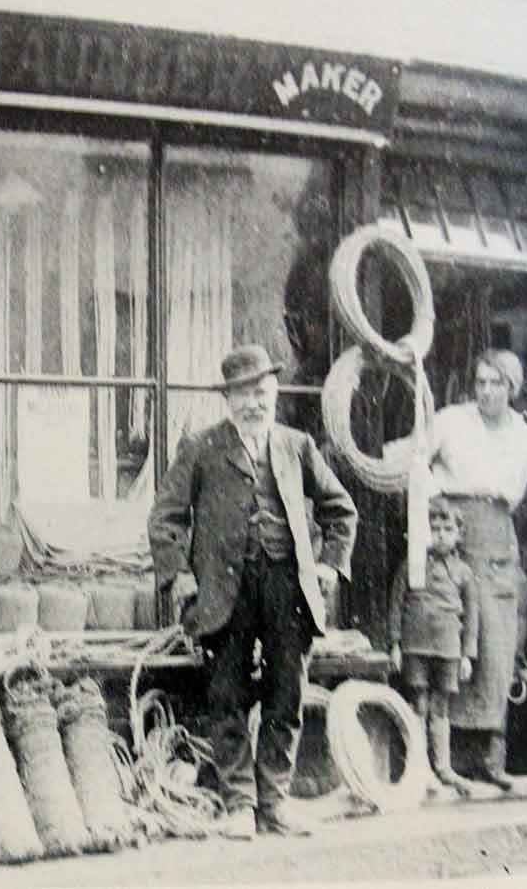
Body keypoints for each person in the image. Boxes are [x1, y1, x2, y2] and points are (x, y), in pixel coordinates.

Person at [148, 344, 357, 840]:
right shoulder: (200, 448)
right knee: (228, 695)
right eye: (242, 395)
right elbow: (165, 519)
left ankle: (275, 802)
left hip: (288, 586)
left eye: (260, 393)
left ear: (275, 392)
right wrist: (180, 576)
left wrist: (329, 566)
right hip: (225, 590)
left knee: (287, 694)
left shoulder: (297, 445)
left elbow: (340, 510)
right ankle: (240, 803)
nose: (253, 404)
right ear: (228, 400)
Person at [424, 349, 527, 790]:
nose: (487, 391)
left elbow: (513, 492)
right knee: (451, 636)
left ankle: (491, 756)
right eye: (481, 381)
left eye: (497, 383)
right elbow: (416, 459)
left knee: (495, 641)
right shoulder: (452, 420)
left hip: (495, 532)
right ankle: (445, 758)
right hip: (452, 528)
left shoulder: (522, 437)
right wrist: (438, 501)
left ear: (512, 389)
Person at [389, 495, 477, 795]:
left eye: (447, 529)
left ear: (458, 533)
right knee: (419, 706)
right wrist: (395, 644)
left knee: (441, 708)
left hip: (448, 648)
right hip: (416, 645)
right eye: (434, 528)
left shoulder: (464, 572)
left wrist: (467, 655)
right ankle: (419, 768)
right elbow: (397, 603)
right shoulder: (412, 566)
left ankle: (443, 768)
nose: (440, 534)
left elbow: (472, 616)